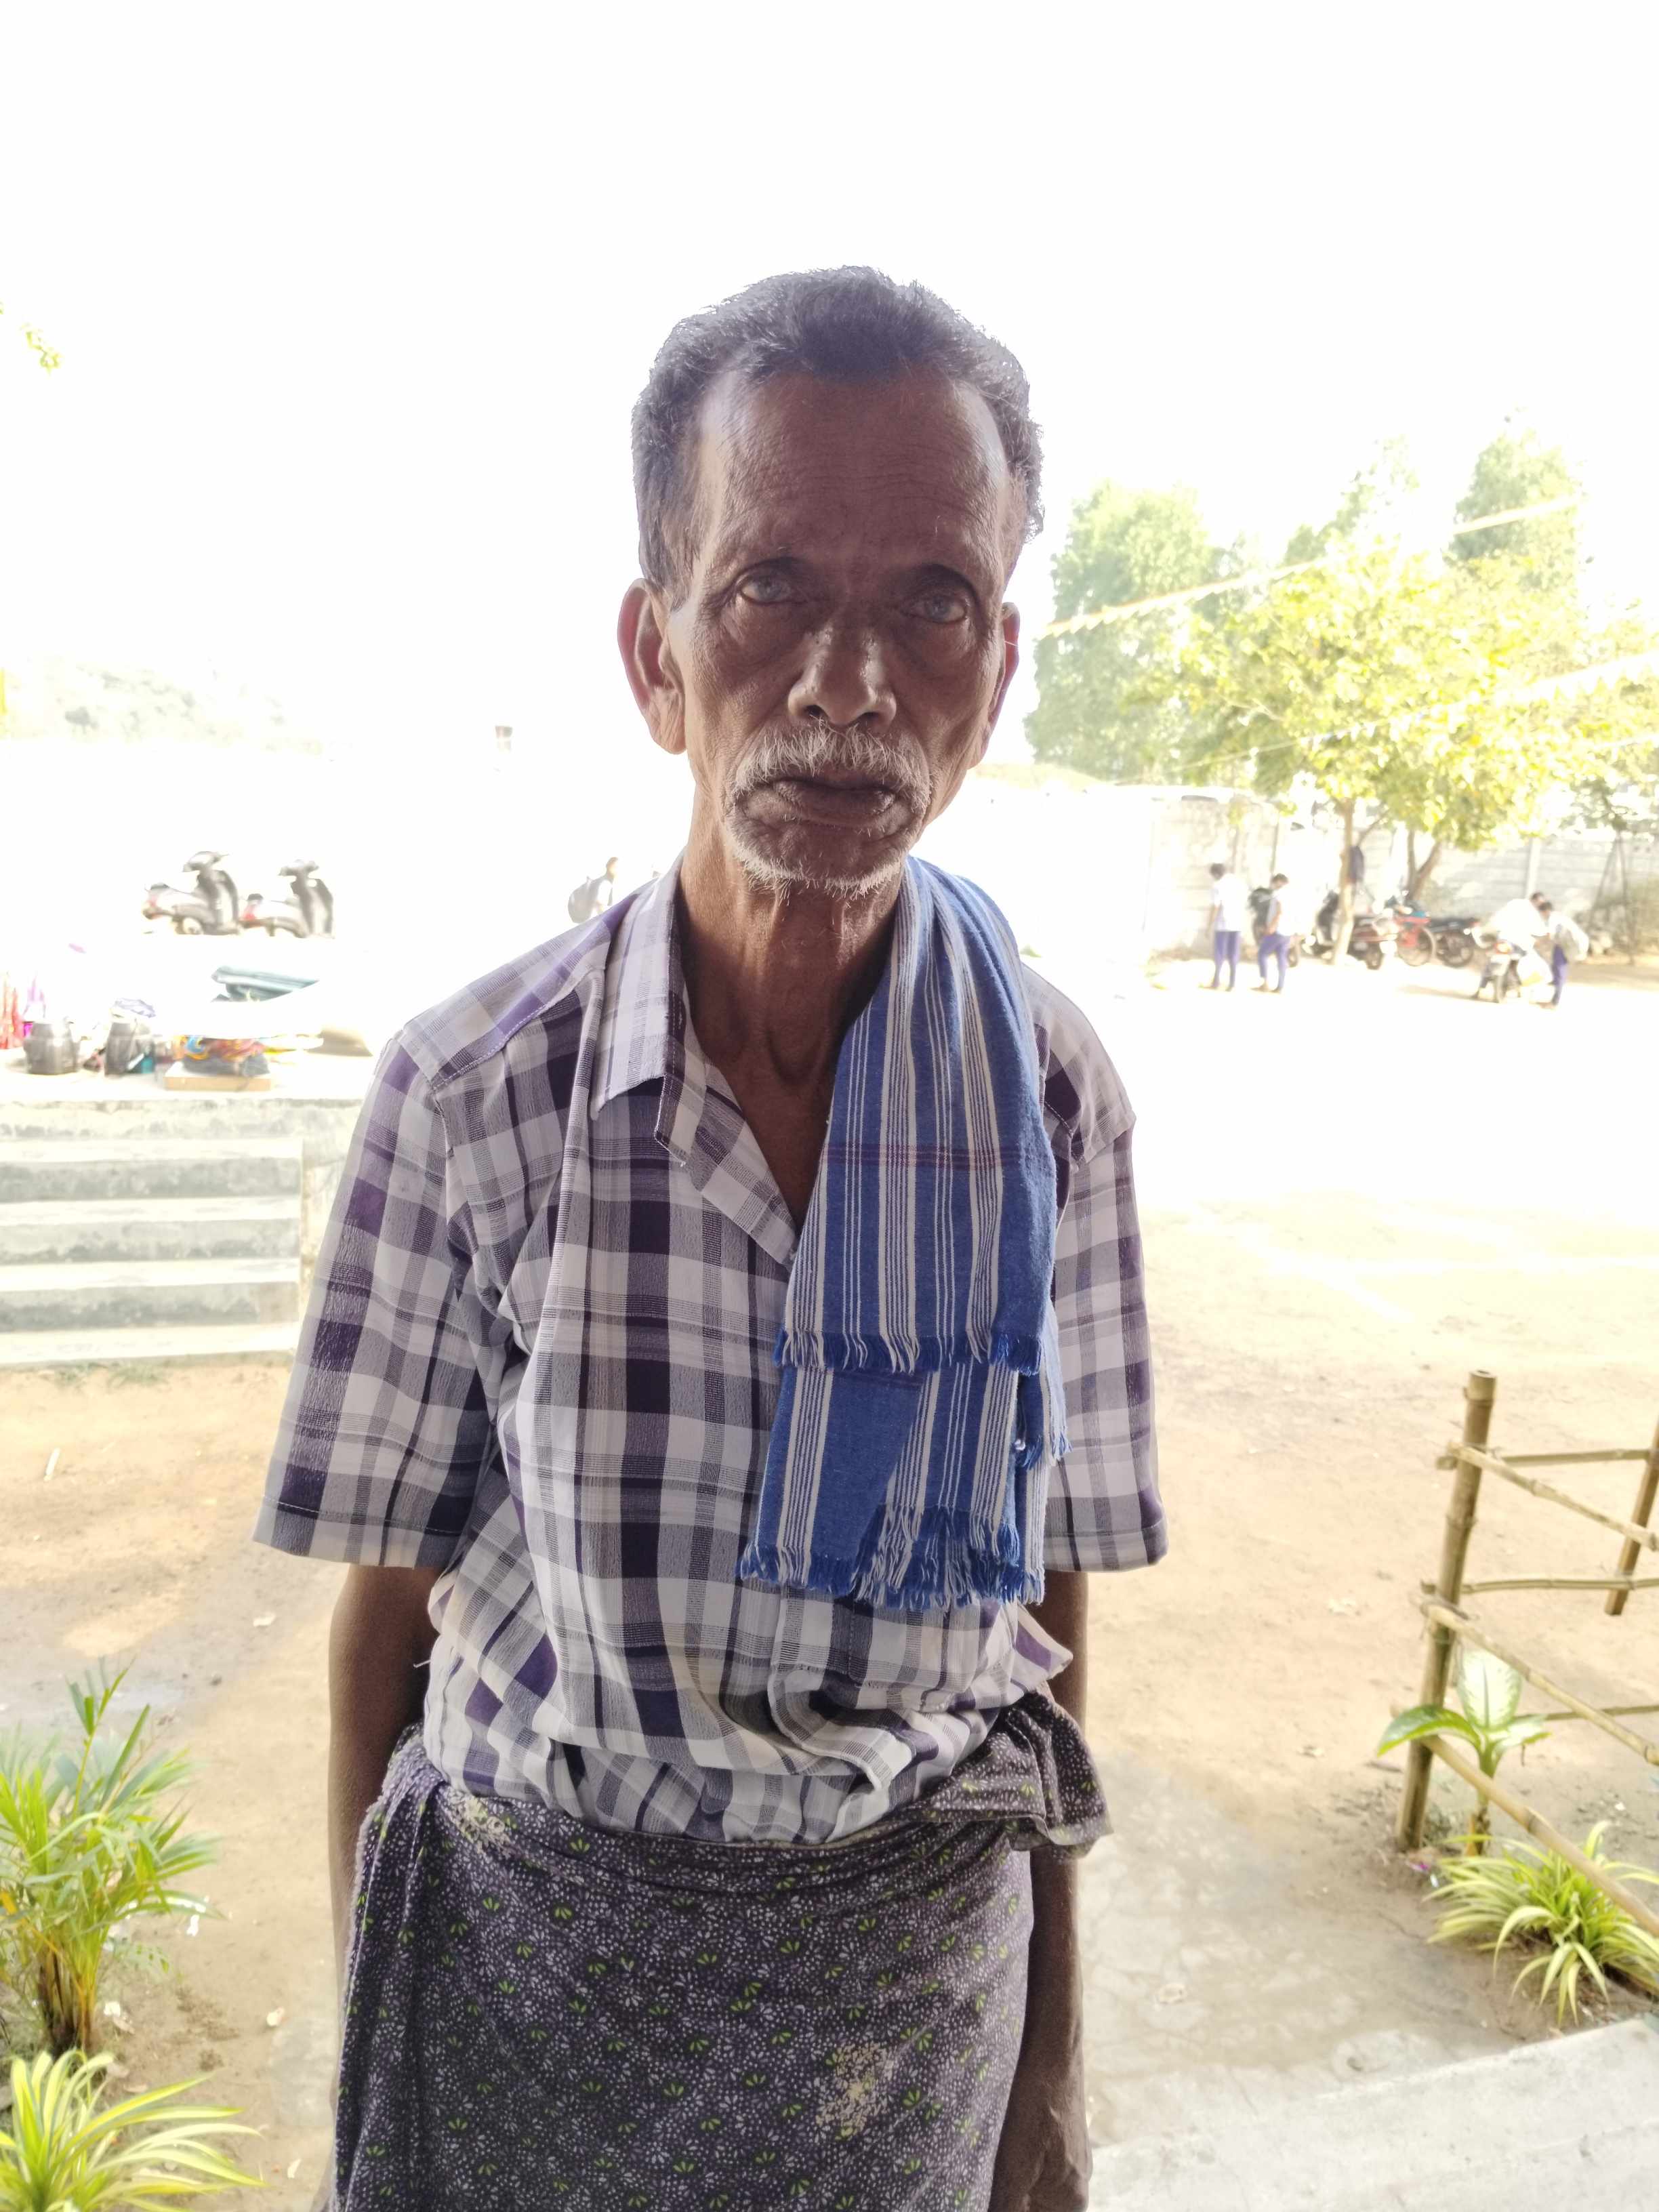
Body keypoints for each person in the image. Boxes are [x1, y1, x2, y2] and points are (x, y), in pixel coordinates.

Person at [258, 267, 1165, 2212]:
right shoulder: (472, 1099)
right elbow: (381, 1636)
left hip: (906, 2013)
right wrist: (373, 2063)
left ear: (997, 670)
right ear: (654, 652)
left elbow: (1051, 1608)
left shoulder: (1052, 1099)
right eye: (769, 589)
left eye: (931, 602)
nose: (849, 684)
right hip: (532, 1992)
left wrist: (1050, 2084)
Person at [1532, 895, 1589, 1006]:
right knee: (1557, 971)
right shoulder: (1559, 916)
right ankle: (1554, 1000)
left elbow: (1549, 936)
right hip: (1567, 946)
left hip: (1565, 947)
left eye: (1542, 914)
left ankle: (1554, 1002)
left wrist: (1537, 943)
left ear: (1545, 911)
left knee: (1559, 972)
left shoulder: (1552, 918)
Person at [1207, 860, 1246, 989]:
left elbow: (1216, 906)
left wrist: (1209, 926)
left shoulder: (1218, 886)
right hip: (1237, 924)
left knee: (1219, 954)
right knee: (1234, 954)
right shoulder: (1238, 883)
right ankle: (1232, 984)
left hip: (1223, 925)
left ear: (1215, 874)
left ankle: (1216, 982)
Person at [1254, 872, 1292, 994]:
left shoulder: (1279, 894)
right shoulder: (1292, 895)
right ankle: (1280, 986)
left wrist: (1271, 927)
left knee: (1262, 954)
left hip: (1277, 930)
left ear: (1279, 882)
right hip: (1287, 931)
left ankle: (1265, 983)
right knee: (1281, 957)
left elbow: (1279, 912)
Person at [567, 853, 621, 923]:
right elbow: (600, 905)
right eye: (615, 867)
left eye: (618, 868)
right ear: (608, 866)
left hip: (585, 919)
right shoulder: (605, 883)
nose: (617, 870)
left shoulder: (606, 882)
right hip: (593, 921)